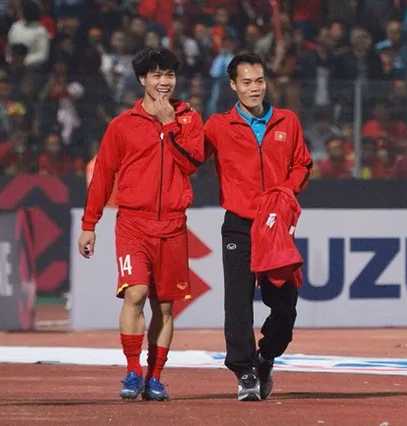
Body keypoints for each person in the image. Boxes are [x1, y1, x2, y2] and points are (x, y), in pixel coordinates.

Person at [76, 47, 204, 401]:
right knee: (136, 293)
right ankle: (132, 371)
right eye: (157, 75)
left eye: (170, 75)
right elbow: (103, 176)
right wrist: (90, 224)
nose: (165, 82)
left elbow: (193, 163)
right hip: (133, 222)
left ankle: (155, 375)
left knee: (165, 305)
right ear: (142, 80)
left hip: (174, 225)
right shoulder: (121, 125)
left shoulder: (190, 120)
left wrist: (170, 126)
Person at [203, 52, 313, 401]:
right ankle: (244, 371)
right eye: (247, 82)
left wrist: (286, 191)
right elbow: (188, 157)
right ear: (233, 85)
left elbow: (302, 164)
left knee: (285, 305)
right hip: (239, 224)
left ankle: (266, 357)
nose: (255, 88)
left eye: (260, 81)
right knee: (237, 303)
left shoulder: (288, 121)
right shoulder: (218, 126)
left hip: (276, 224)